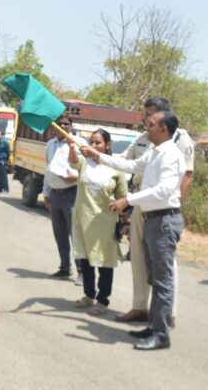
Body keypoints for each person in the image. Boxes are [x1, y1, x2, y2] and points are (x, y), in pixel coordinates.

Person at [97, 111, 186, 351]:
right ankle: (155, 325)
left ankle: (162, 334)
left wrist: (129, 200)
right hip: (152, 219)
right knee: (155, 278)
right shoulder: (155, 152)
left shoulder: (171, 155)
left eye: (151, 124)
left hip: (164, 220)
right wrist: (99, 156)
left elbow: (164, 190)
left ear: (164, 129)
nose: (146, 127)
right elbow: (130, 165)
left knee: (163, 280)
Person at [115, 97, 194, 327]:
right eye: (145, 113)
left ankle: (168, 314)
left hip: (161, 206)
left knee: (165, 265)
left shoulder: (179, 138)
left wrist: (174, 205)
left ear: (163, 116)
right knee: (138, 257)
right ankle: (140, 307)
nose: (145, 118)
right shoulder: (143, 138)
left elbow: (187, 175)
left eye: (150, 114)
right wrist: (96, 155)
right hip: (140, 202)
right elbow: (126, 161)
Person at [66, 128, 128, 315]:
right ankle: (89, 295)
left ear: (107, 145)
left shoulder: (116, 168)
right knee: (86, 259)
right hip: (84, 219)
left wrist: (125, 222)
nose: (93, 146)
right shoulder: (85, 162)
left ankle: (102, 301)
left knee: (105, 263)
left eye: (98, 143)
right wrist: (71, 147)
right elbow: (73, 161)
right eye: (91, 142)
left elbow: (123, 197)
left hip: (106, 222)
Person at [43, 112, 87, 280]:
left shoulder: (79, 143)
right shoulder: (50, 144)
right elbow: (47, 169)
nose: (62, 127)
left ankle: (82, 272)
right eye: (59, 124)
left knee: (75, 234)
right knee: (59, 233)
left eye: (66, 124)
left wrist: (75, 177)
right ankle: (64, 267)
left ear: (71, 127)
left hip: (72, 194)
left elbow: (87, 170)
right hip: (55, 194)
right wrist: (46, 193)